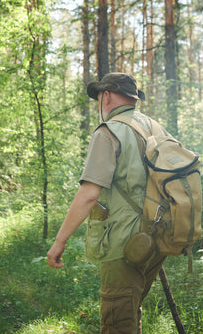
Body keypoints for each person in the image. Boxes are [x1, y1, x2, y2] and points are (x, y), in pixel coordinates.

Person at [47, 72, 166, 334]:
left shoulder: (109, 131)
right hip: (156, 240)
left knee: (117, 322)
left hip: (125, 244)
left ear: (107, 95)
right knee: (130, 310)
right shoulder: (154, 127)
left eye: (99, 96)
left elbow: (89, 193)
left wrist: (59, 242)